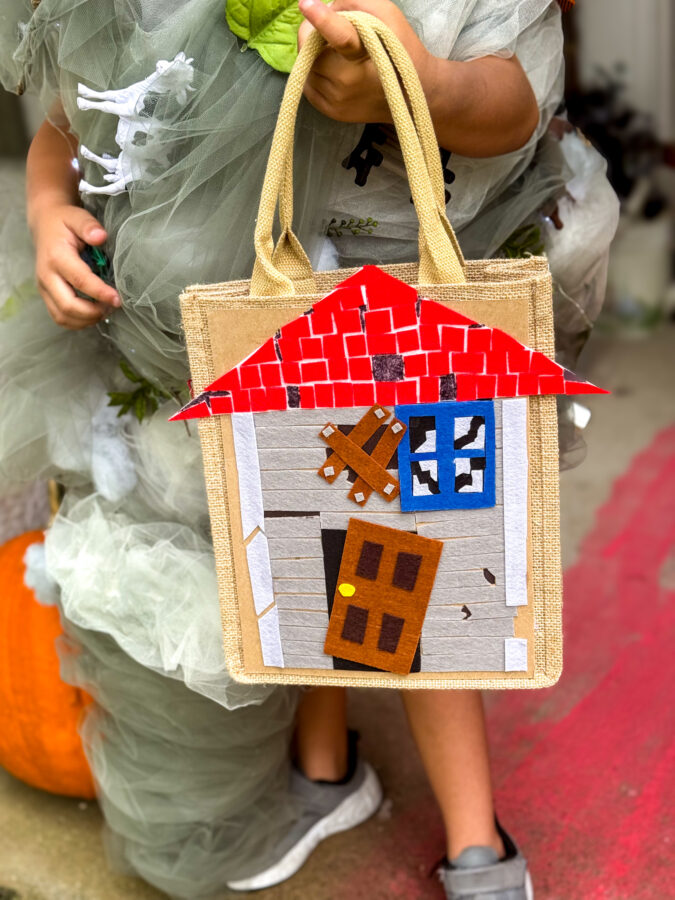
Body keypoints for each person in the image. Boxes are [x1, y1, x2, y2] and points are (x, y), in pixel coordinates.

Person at [0, 0, 616, 897]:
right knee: (305, 551)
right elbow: (83, 110)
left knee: (417, 581)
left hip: (412, 319)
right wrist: (51, 204)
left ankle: (475, 838)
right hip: (260, 313)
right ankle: (326, 767)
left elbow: (512, 103)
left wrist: (425, 84)